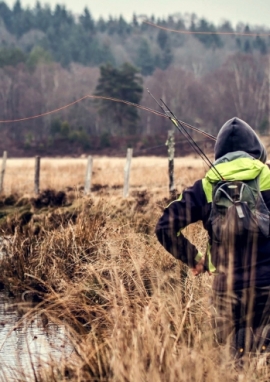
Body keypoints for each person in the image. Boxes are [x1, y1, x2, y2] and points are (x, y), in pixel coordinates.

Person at [155, 117, 270, 352]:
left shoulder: (205, 187)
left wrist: (194, 259)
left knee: (231, 362)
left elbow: (164, 227)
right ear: (257, 151)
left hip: (225, 291)